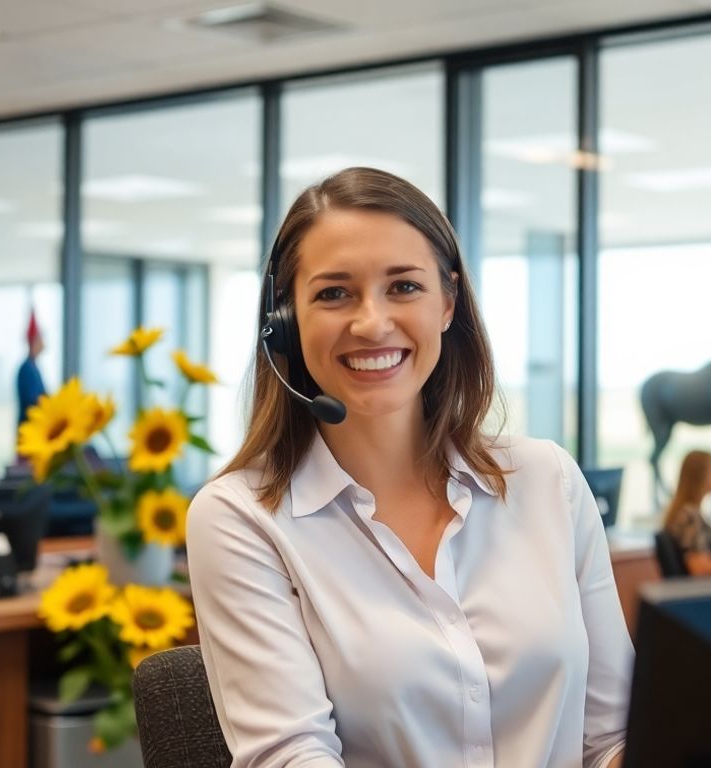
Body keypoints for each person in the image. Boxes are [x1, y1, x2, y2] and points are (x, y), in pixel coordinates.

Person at [186, 167, 633, 768]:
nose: (372, 322)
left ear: (448, 302)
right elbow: (291, 757)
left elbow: (609, 737)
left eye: (403, 287)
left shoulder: (546, 480)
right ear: (285, 323)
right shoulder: (242, 518)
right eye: (334, 293)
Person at [17, 309, 47, 427]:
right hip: (30, 428)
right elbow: (34, 402)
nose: (44, 343)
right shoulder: (26, 370)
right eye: (41, 339)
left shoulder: (34, 367)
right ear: (34, 342)